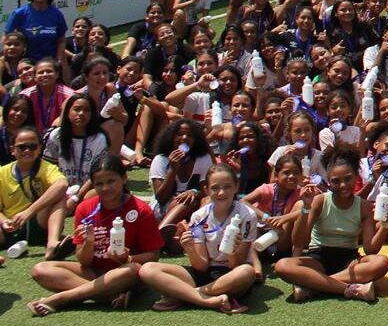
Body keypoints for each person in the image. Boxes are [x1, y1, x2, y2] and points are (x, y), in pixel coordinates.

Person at [28, 154, 162, 315]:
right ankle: (107, 296)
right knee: (40, 269)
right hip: (93, 271)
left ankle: (64, 297)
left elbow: (154, 256)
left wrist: (127, 258)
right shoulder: (85, 209)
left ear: (124, 178)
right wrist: (88, 243)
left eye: (111, 181)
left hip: (124, 273)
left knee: (131, 270)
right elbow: (83, 260)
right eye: (99, 183)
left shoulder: (140, 210)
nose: (105, 188)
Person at [139, 164, 257, 313]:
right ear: (206, 190)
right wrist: (189, 248)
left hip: (230, 275)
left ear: (236, 187)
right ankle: (208, 300)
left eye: (227, 187)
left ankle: (189, 294)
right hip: (204, 273)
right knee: (147, 269)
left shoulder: (247, 215)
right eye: (215, 188)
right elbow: (201, 266)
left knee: (246, 272)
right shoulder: (199, 216)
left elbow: (236, 264)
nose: (221, 192)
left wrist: (233, 250)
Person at [272, 151, 388, 302]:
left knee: (381, 262)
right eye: (336, 181)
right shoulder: (320, 201)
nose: (343, 185)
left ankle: (315, 285)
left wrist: (385, 226)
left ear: (356, 177)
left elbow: (370, 249)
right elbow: (300, 242)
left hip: (349, 261)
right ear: (328, 181)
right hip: (318, 258)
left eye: (348, 179)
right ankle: (348, 289)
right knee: (282, 266)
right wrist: (306, 208)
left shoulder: (364, 206)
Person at [0, 128, 67, 256]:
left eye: (32, 146)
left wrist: (29, 212)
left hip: (38, 222)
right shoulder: (2, 173)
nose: (27, 151)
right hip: (10, 226)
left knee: (60, 197)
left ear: (39, 148)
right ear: (12, 150)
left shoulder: (46, 167)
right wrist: (4, 221)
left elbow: (62, 184)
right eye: (22, 147)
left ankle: (52, 243)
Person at [6, 0, 66, 66]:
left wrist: (58, 60)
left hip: (49, 66)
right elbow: (7, 38)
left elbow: (61, 40)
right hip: (27, 66)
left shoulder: (57, 14)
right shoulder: (19, 13)